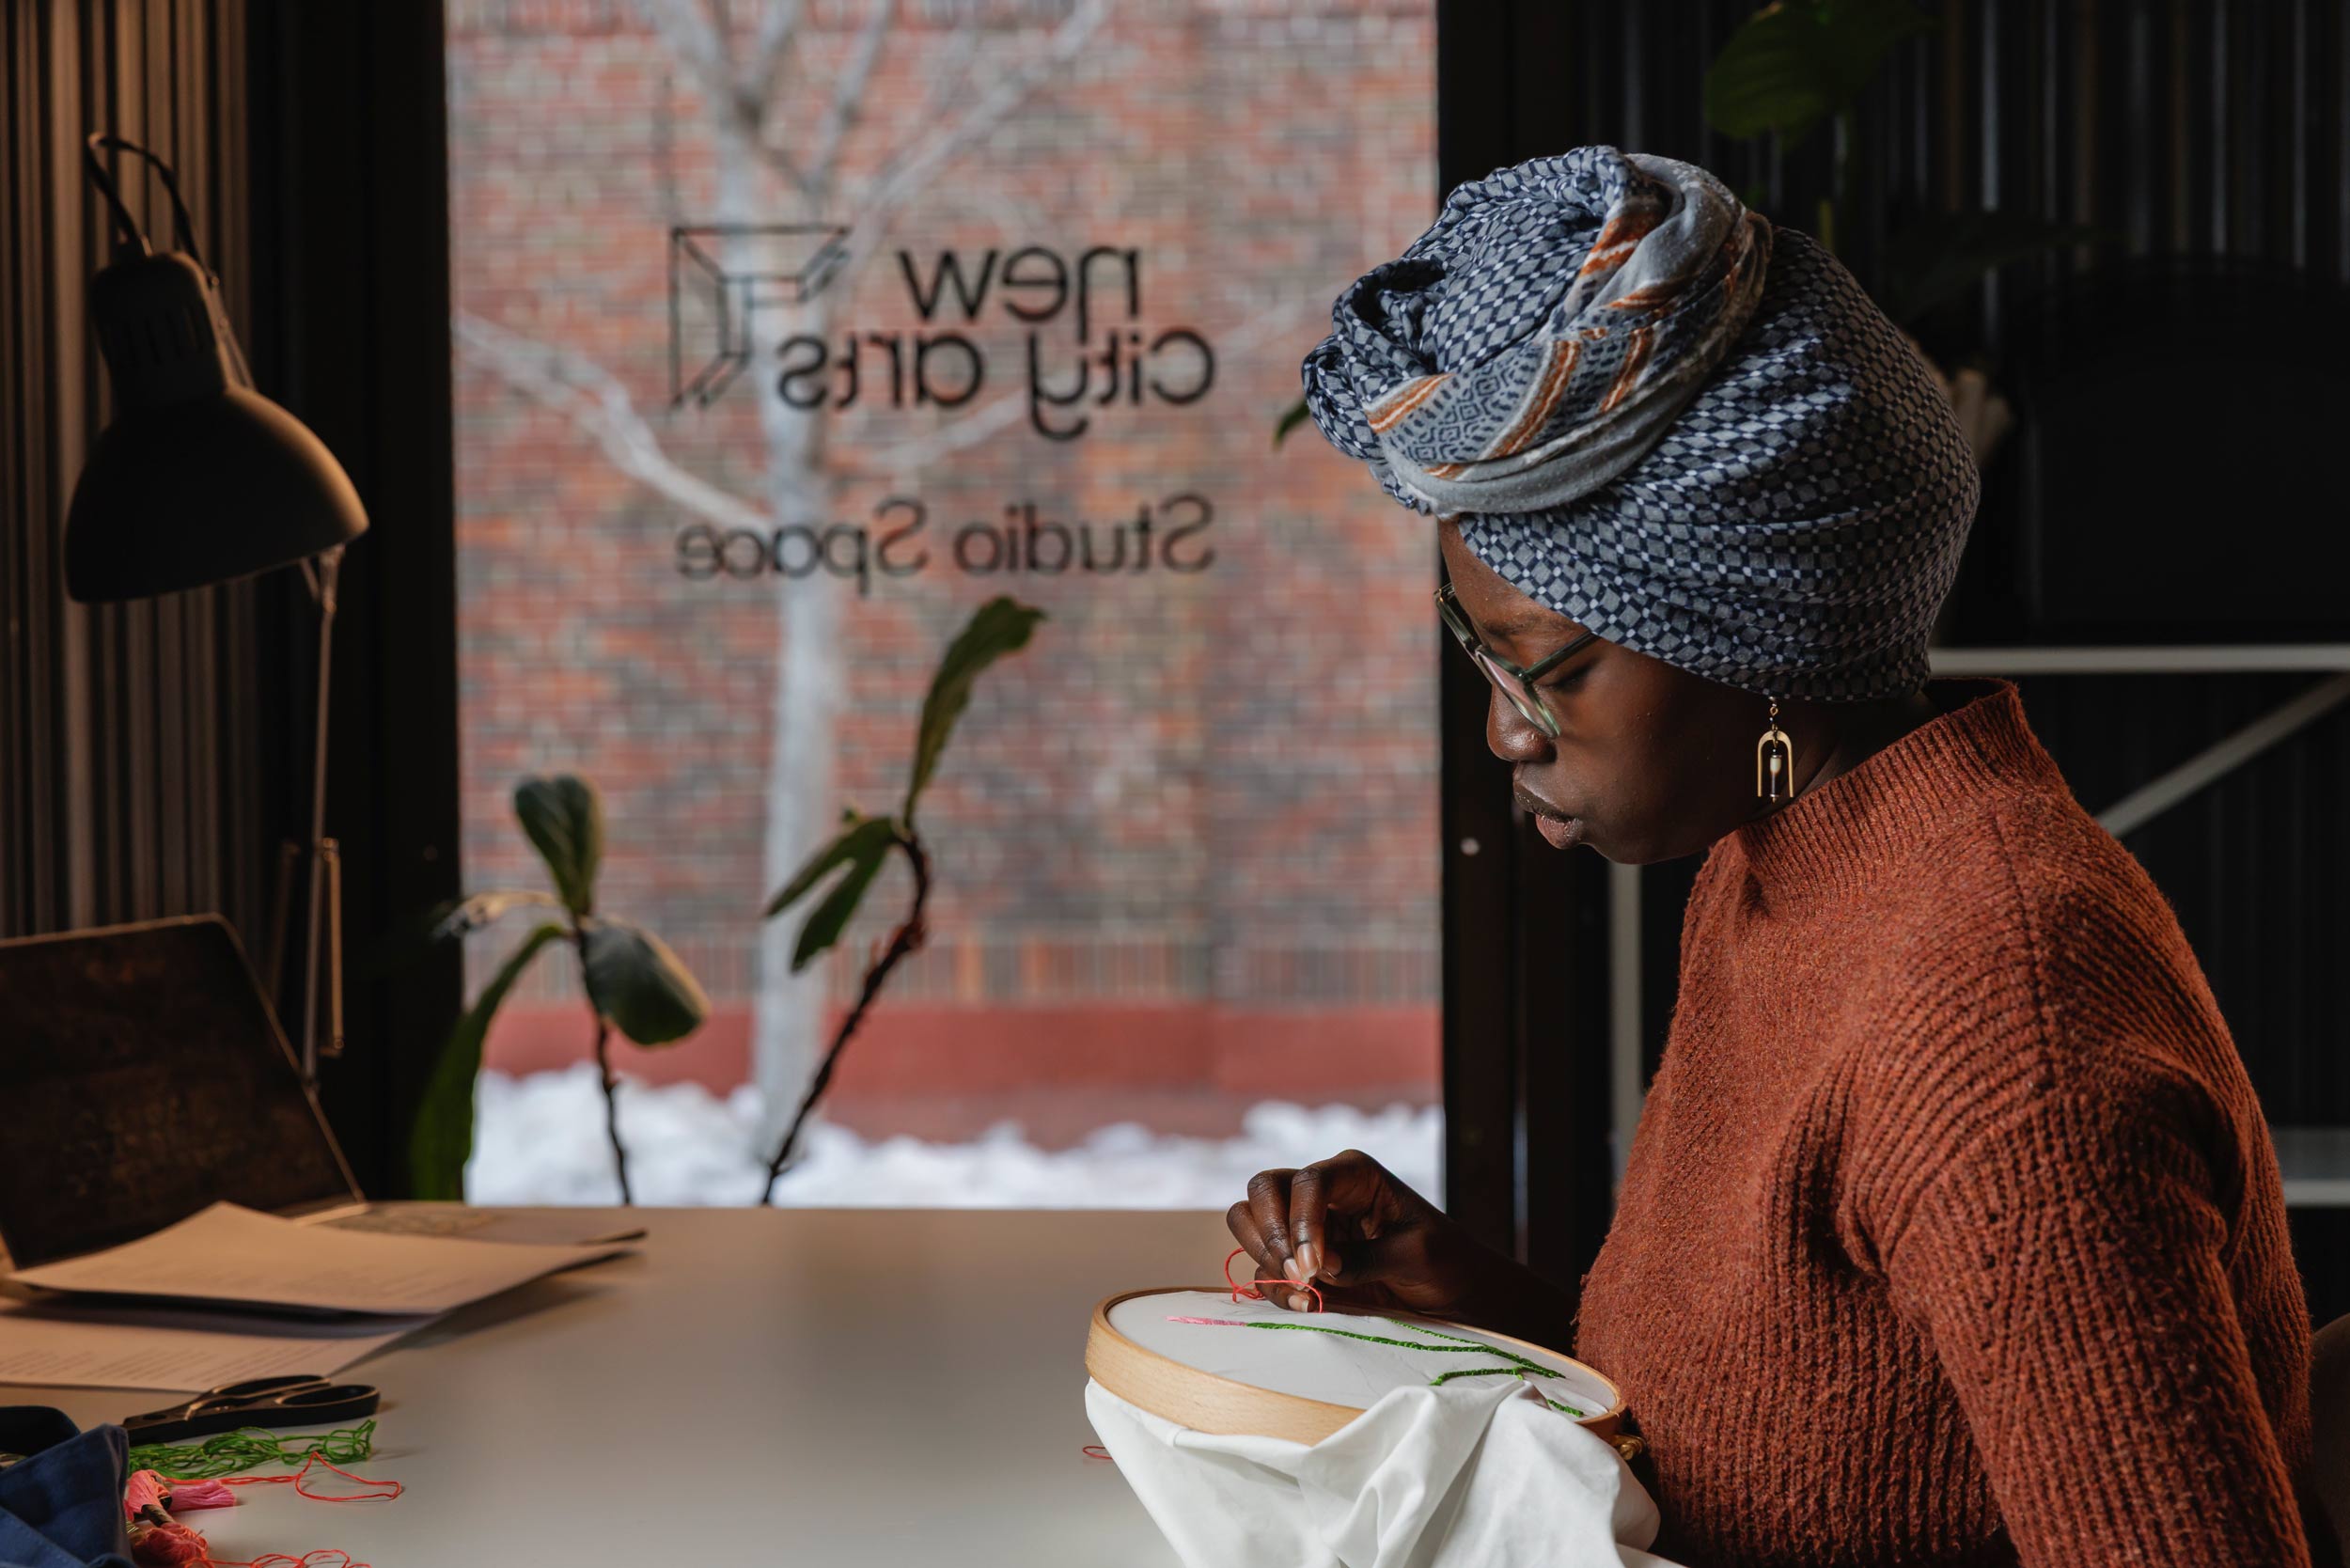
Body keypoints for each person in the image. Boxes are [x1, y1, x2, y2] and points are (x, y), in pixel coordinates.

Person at [1231, 147, 2331, 1567]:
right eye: (1477, 657)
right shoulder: (1779, 862)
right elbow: (1818, 1440)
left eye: (1547, 667)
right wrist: (1476, 1304)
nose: (1506, 734)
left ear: (1751, 632)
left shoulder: (2006, 1026)